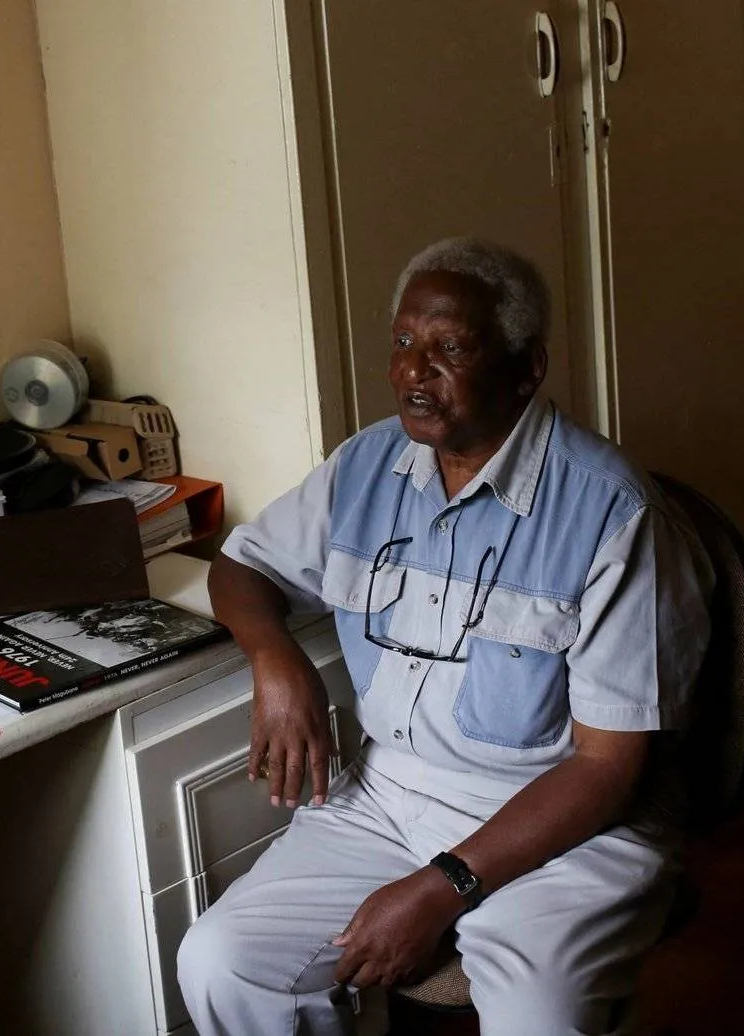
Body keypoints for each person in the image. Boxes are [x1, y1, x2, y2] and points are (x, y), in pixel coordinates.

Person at [176, 238, 712, 1036]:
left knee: (538, 1016)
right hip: (388, 795)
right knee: (223, 961)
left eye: (450, 348)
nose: (413, 371)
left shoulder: (613, 512)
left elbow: (606, 768)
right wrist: (276, 660)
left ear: (526, 368)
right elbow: (241, 565)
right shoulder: (367, 464)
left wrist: (442, 887)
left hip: (567, 818)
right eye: (403, 341)